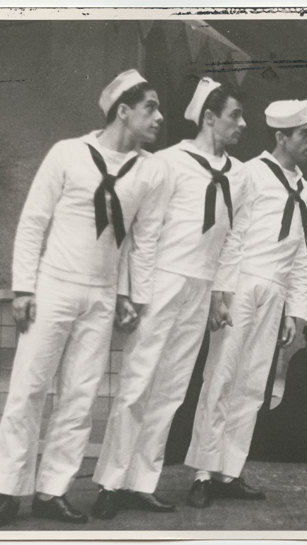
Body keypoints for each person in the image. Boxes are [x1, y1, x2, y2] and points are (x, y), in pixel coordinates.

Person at [0, 69, 168, 527]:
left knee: (80, 397)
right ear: (123, 110)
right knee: (28, 388)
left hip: (101, 297)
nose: (159, 118)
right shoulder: (68, 154)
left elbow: (145, 241)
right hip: (54, 287)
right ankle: (8, 490)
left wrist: (132, 297)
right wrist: (24, 286)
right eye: (151, 108)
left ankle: (52, 491)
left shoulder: (152, 171)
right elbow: (32, 223)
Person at [91, 77, 251, 519]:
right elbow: (145, 234)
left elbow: (233, 240)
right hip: (161, 282)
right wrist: (138, 294)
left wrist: (221, 294)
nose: (242, 123)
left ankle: (142, 482)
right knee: (137, 383)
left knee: (171, 389)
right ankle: (110, 481)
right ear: (209, 118)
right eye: (235, 115)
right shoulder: (167, 162)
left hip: (200, 289)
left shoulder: (239, 176)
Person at [184, 100, 307, 508]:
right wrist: (221, 294)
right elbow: (231, 236)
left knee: (253, 385)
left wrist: (295, 310)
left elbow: (302, 255)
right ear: (281, 137)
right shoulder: (248, 175)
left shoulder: (306, 193)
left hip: (274, 293)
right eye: (304, 134)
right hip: (241, 284)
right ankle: (204, 472)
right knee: (221, 376)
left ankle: (230, 470)